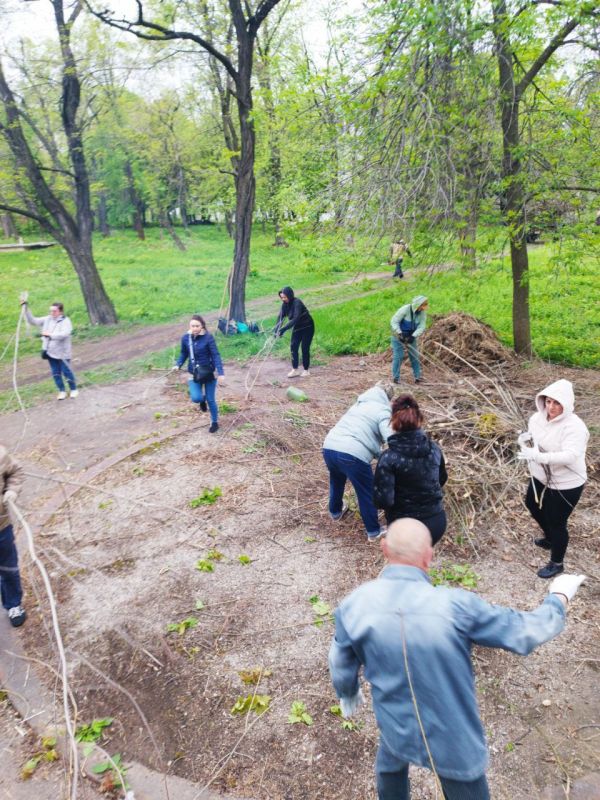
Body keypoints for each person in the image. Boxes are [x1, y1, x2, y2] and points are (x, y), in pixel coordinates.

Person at [329, 518, 585, 800]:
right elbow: (526, 632)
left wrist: (347, 692)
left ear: (384, 548)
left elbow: (341, 662)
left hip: (395, 724)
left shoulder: (354, 603)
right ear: (429, 555)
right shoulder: (457, 606)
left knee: (389, 769)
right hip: (452, 738)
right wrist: (559, 597)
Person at [517, 379, 589, 579]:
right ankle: (550, 538)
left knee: (557, 520)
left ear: (566, 404)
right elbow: (534, 440)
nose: (551, 407)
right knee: (532, 503)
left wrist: (540, 457)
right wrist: (525, 441)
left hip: (567, 482)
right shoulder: (536, 418)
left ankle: (557, 562)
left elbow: (570, 455)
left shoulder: (575, 426)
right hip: (541, 475)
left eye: (557, 403)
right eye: (548, 401)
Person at [322, 383, 393, 543]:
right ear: (387, 398)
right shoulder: (383, 410)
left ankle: (335, 512)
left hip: (329, 447)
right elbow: (390, 438)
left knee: (336, 480)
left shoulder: (358, 404)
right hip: (353, 454)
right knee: (366, 492)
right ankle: (374, 531)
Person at [373, 394, 447, 544]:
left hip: (405, 527)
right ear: (419, 419)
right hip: (436, 522)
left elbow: (384, 500)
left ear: (393, 422)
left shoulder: (388, 458)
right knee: (422, 562)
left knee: (405, 566)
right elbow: (441, 479)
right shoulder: (434, 449)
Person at [174, 315, 225, 433]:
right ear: (189, 326)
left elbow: (215, 355)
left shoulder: (208, 337)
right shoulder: (186, 338)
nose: (195, 328)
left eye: (197, 326)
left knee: (211, 400)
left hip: (208, 374)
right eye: (193, 326)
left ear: (202, 326)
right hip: (194, 374)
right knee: (196, 397)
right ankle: (202, 401)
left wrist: (221, 373)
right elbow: (183, 353)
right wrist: (178, 364)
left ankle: (214, 422)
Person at [21, 299, 78, 400]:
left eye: (54, 311)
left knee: (66, 372)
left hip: (63, 353)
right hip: (50, 352)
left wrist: (50, 335)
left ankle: (73, 389)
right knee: (55, 373)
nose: (52, 313)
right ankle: (62, 391)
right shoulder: (47, 319)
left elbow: (65, 334)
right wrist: (26, 308)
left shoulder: (66, 321)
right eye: (51, 311)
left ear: (60, 311)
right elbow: (33, 321)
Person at [0, 446, 26, 627]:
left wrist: (12, 490)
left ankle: (13, 604)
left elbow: (15, 471)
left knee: (9, 568)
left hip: (1, 527)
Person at [274, 287, 315, 378]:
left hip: (307, 326)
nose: (283, 299)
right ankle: (295, 369)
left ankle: (306, 370)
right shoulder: (284, 305)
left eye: (285, 297)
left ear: (290, 295)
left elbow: (295, 319)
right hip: (298, 327)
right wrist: (276, 330)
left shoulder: (297, 303)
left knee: (304, 348)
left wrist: (283, 329)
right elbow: (280, 318)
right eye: (281, 297)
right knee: (293, 346)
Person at [390, 295, 428, 384]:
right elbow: (394, 321)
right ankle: (396, 378)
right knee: (399, 356)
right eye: (423, 305)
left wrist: (413, 336)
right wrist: (399, 333)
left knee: (414, 356)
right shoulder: (405, 309)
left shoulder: (422, 313)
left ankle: (417, 377)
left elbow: (421, 326)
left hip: (411, 335)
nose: (425, 307)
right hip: (398, 335)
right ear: (418, 305)